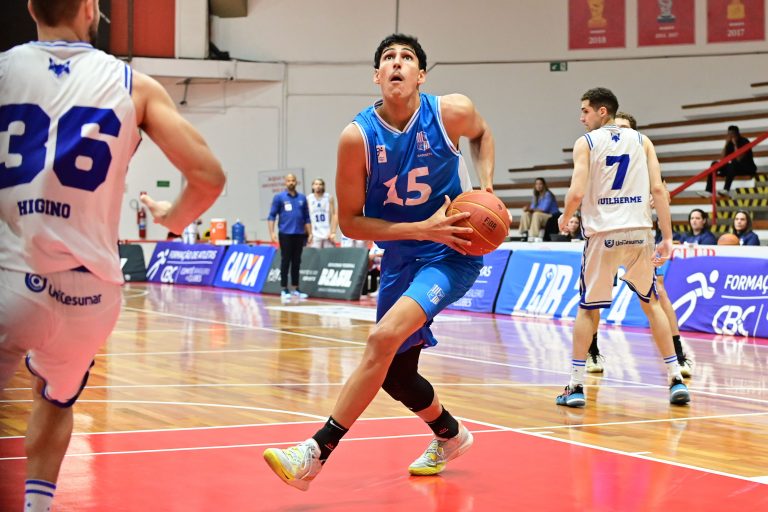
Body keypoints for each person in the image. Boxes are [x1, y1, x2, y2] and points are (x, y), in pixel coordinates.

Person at [0, 2, 226, 511]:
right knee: (55, 398)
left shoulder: (5, 70)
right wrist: (171, 218)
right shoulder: (133, 85)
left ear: (32, 7)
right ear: (90, 9)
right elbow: (209, 177)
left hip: (12, 275)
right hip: (90, 291)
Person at [262, 33, 494, 490]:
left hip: (450, 251)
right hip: (402, 253)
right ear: (376, 76)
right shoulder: (357, 137)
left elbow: (482, 134)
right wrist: (419, 229)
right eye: (388, 57)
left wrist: (485, 186)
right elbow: (351, 222)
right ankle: (450, 434)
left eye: (407, 58)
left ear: (421, 75)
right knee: (396, 375)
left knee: (382, 338)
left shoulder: (451, 112)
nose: (397, 63)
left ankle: (315, 453)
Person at [556, 87, 689, 409]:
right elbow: (659, 190)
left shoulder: (586, 143)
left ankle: (575, 385)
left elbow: (576, 192)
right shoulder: (643, 141)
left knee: (588, 308)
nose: (581, 117)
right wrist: (667, 237)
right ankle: (676, 377)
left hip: (603, 234)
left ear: (602, 112)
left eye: (585, 110)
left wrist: (565, 215)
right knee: (651, 303)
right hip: (640, 233)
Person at [586, 112, 693, 377]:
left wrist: (661, 203)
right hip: (605, 234)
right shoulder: (598, 157)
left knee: (658, 292)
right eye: (616, 127)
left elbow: (661, 193)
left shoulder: (643, 158)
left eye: (624, 128)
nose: (619, 132)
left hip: (639, 236)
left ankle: (678, 354)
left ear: (634, 132)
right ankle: (592, 351)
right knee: (595, 299)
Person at [267, 173, 312, 301]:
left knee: (297, 261)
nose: (291, 182)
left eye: (293, 180)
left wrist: (310, 233)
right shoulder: (279, 197)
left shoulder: (302, 198)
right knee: (285, 261)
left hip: (299, 234)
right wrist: (272, 233)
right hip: (285, 234)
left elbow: (307, 217)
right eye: (288, 180)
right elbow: (271, 216)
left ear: (296, 182)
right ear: (285, 183)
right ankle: (284, 288)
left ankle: (296, 288)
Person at [700, 125, 757, 197]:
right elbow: (722, 158)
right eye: (729, 134)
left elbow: (738, 158)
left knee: (732, 164)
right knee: (714, 164)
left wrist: (735, 144)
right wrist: (726, 144)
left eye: (732, 134)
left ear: (737, 134)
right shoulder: (729, 143)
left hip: (746, 167)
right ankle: (708, 191)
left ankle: (726, 189)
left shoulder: (744, 141)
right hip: (733, 168)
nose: (730, 136)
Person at [308, 178, 338, 248]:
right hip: (315, 233)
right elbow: (306, 217)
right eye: (316, 184)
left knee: (329, 253)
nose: (318, 186)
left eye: (320, 184)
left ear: (323, 186)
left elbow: (334, 215)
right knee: (315, 254)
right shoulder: (309, 198)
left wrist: (333, 232)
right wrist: (309, 233)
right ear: (312, 186)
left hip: (327, 232)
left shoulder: (329, 197)